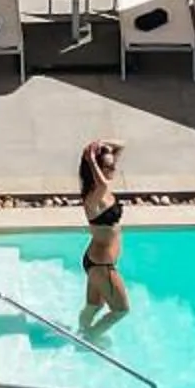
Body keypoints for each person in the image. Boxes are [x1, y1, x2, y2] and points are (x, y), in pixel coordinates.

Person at [78, 138, 129, 330]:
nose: (113, 169)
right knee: (121, 310)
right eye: (108, 166)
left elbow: (121, 145)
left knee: (94, 305)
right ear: (97, 169)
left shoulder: (103, 190)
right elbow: (103, 185)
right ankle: (92, 337)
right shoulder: (93, 197)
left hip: (98, 262)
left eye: (113, 165)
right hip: (102, 266)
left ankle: (82, 332)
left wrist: (100, 143)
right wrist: (91, 159)